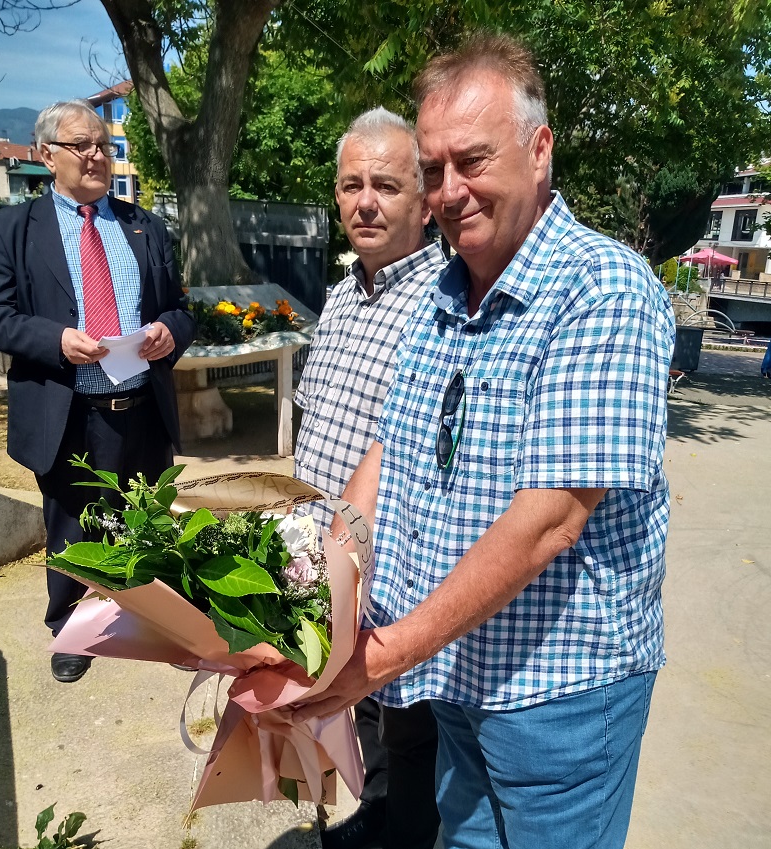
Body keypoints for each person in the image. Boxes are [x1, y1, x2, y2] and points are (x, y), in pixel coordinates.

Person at [296, 32, 676, 849]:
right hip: (461, 674)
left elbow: (551, 518)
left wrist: (384, 653)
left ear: (539, 151)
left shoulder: (602, 287)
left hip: (561, 695)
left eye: (471, 161)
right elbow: (388, 452)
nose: (449, 191)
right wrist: (322, 589)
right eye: (434, 169)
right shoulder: (443, 295)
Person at [0, 100, 195, 684]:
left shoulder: (144, 225)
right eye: (82, 145)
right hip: (68, 409)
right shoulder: (12, 229)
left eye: (104, 145)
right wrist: (56, 340)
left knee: (147, 522)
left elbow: (180, 308)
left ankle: (156, 618)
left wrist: (168, 331)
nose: (97, 155)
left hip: (142, 407)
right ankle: (71, 629)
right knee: (72, 525)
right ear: (47, 156)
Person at [294, 107, 445, 849]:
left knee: (408, 725)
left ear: (425, 200)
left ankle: (402, 827)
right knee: (354, 709)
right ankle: (372, 810)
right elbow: (316, 414)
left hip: (397, 565)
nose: (365, 203)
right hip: (325, 556)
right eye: (352, 185)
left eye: (386, 185)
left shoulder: (447, 300)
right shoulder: (341, 293)